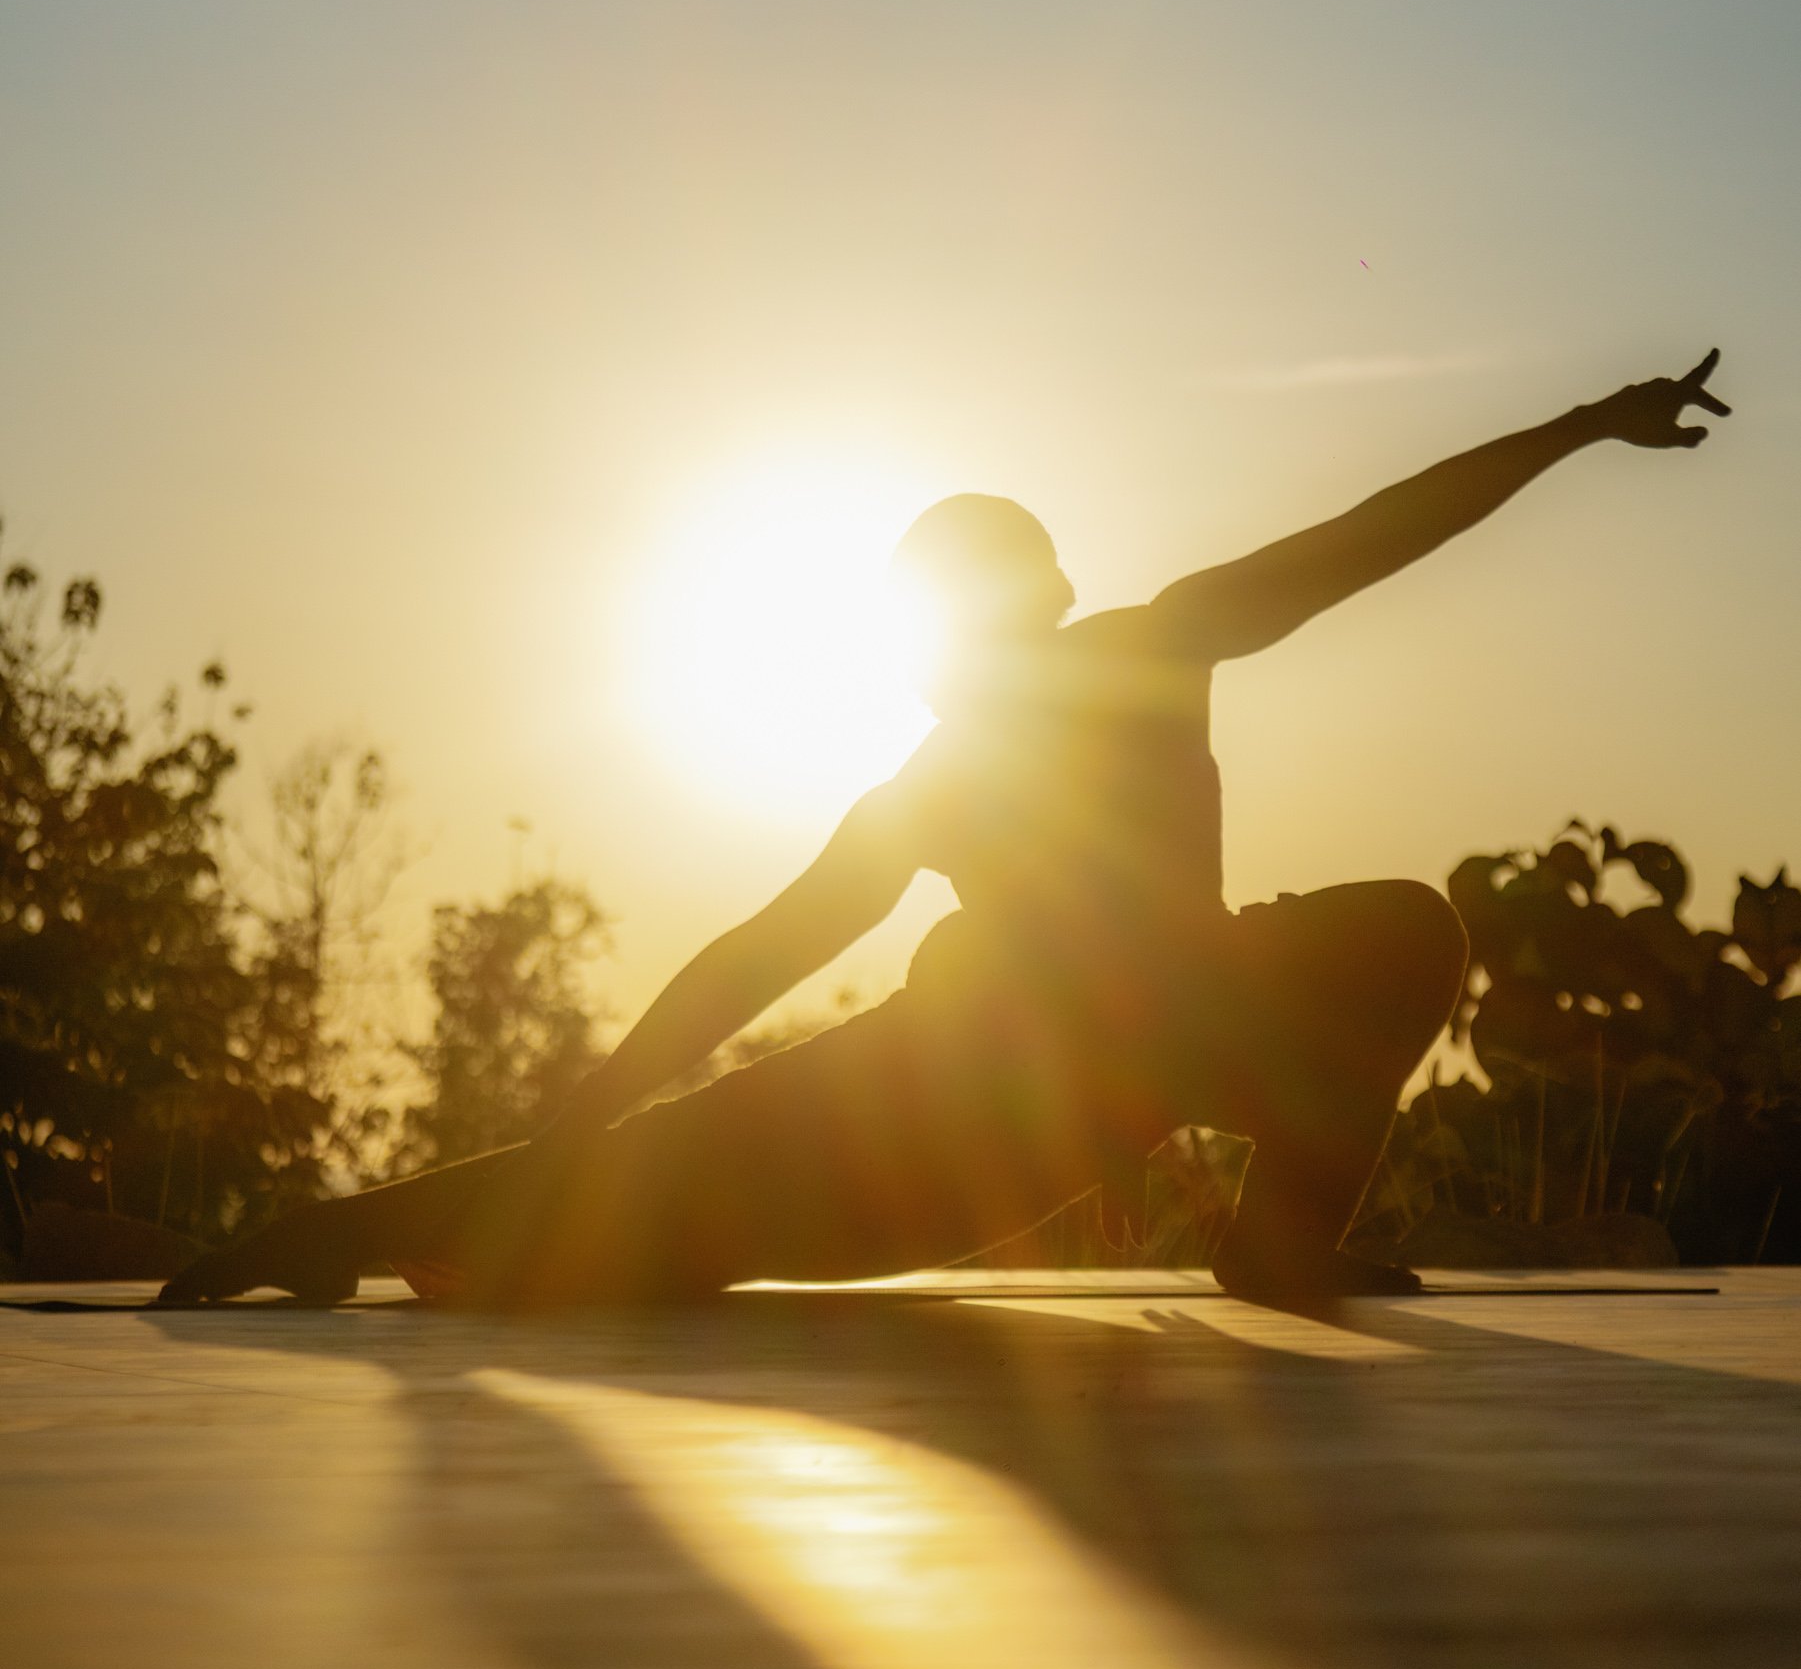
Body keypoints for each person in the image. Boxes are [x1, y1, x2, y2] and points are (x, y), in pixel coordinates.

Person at [160, 351, 1730, 1312]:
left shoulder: (1138, 652)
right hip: (976, 1111)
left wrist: (1578, 426)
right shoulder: (941, 777)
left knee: (1399, 925)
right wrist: (560, 1140)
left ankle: (1277, 1241)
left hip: (1114, 1067)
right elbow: (746, 969)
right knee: (631, 1223)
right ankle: (348, 1230)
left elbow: (1366, 540)